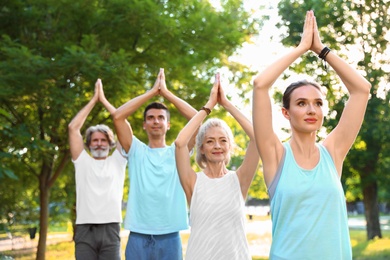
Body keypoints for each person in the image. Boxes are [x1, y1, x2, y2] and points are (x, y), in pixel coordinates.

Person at [252, 10, 371, 259]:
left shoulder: (333, 152)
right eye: (302, 103)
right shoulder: (275, 154)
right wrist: (302, 48)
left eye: (318, 103)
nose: (311, 110)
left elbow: (362, 90)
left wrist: (321, 50)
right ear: (286, 112)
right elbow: (260, 84)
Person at [112, 68, 198, 260]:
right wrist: (152, 92)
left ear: (168, 124)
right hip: (138, 235)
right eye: (150, 118)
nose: (155, 121)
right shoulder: (136, 149)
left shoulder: (178, 151)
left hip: (170, 236)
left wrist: (166, 93)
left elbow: (197, 120)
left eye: (161, 118)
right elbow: (118, 116)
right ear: (144, 125)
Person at [175, 73, 259, 259]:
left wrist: (227, 103)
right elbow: (180, 143)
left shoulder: (239, 179)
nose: (217, 146)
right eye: (210, 141)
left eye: (223, 141)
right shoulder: (193, 181)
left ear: (229, 146)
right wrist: (209, 106)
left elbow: (257, 138)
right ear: (202, 148)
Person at [68, 79, 127, 260]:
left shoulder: (118, 160)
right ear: (88, 144)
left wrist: (104, 100)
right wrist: (94, 100)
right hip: (85, 229)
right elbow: (73, 127)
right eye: (95, 140)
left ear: (110, 143)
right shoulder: (82, 161)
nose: (99, 143)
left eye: (103, 140)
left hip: (110, 228)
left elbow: (123, 124)